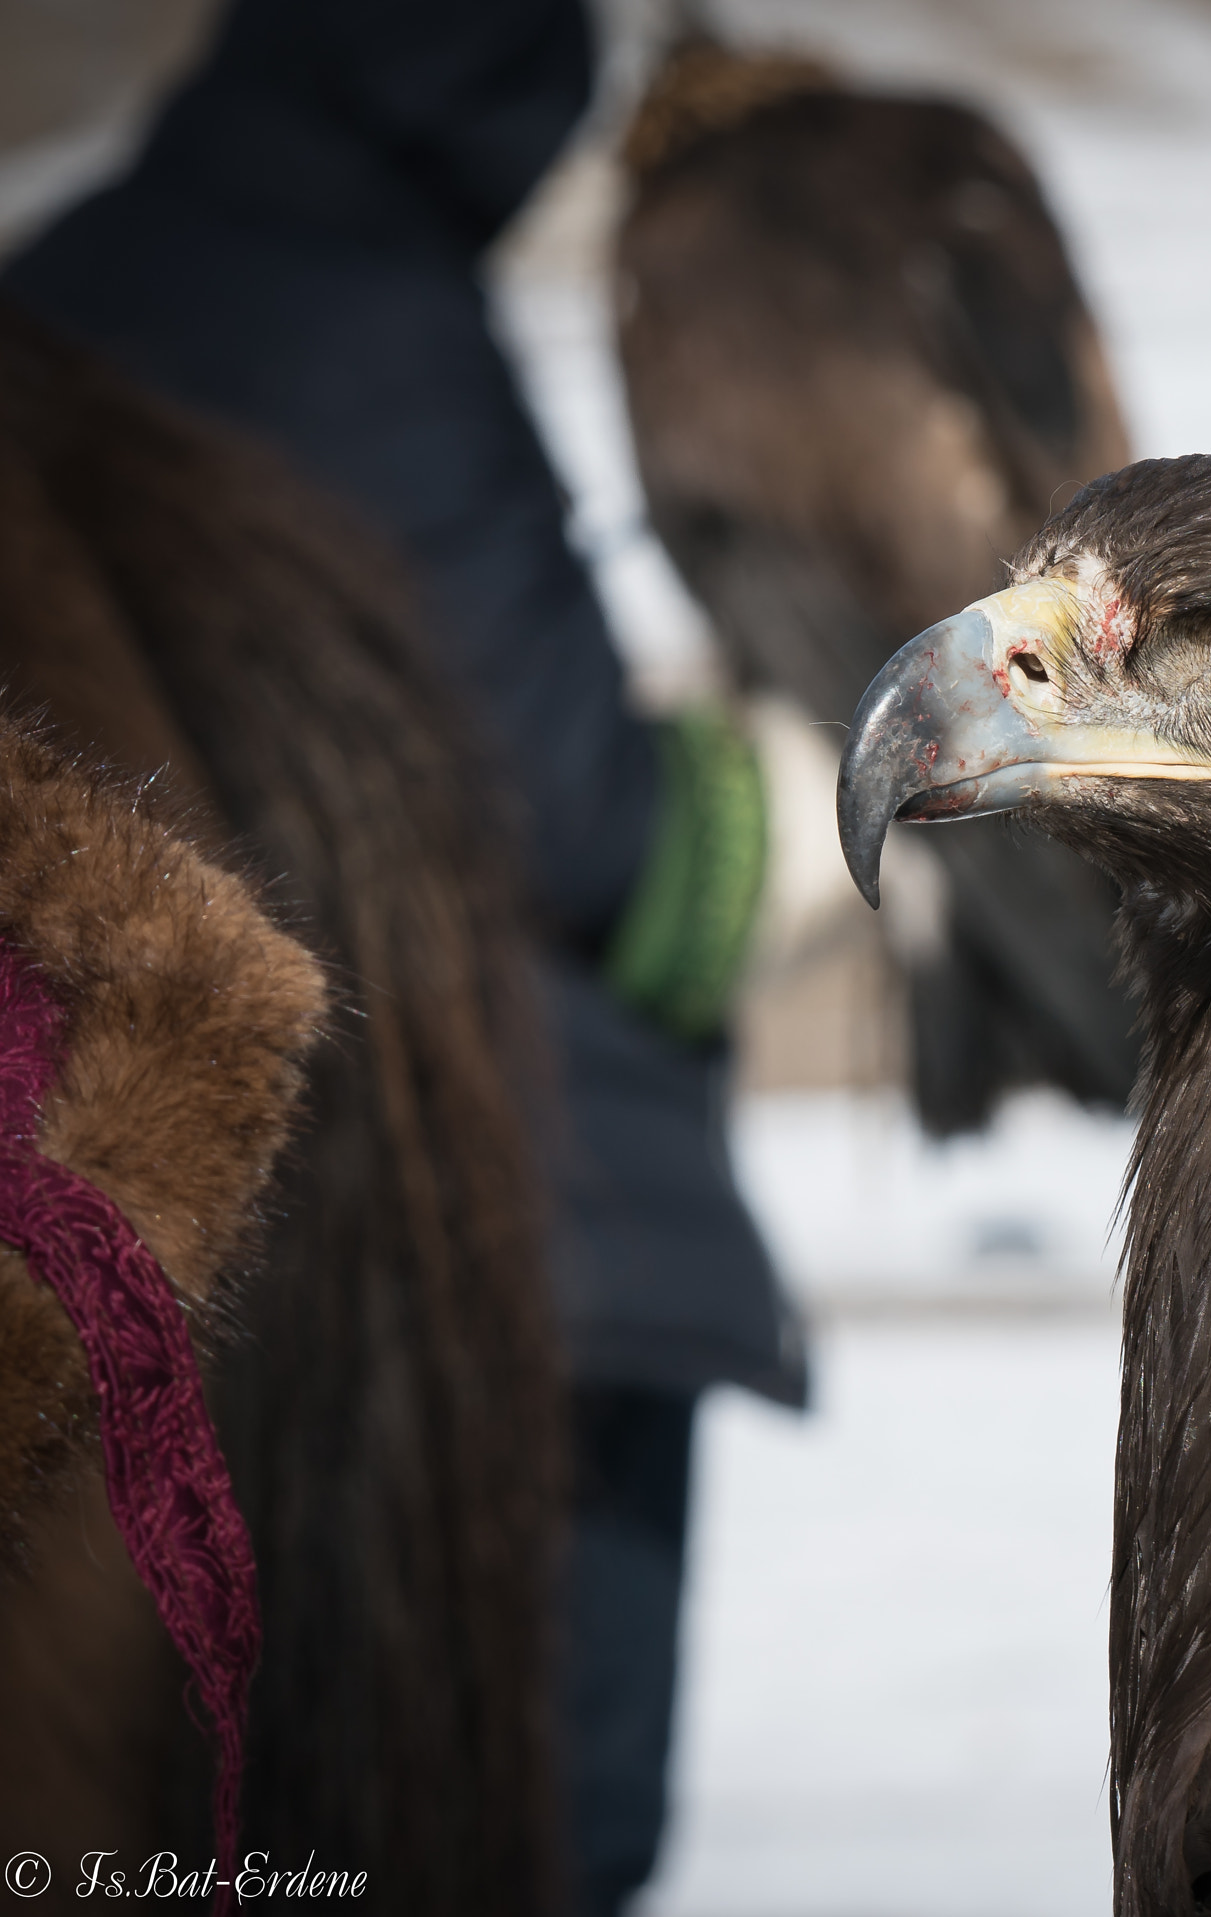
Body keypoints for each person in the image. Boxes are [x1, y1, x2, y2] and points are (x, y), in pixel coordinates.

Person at [2, 2, 806, 1910]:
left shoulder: (56, 287)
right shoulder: (360, 311)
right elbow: (574, 814)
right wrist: (749, 793)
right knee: (534, 1834)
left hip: (177, 1233)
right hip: (513, 1237)